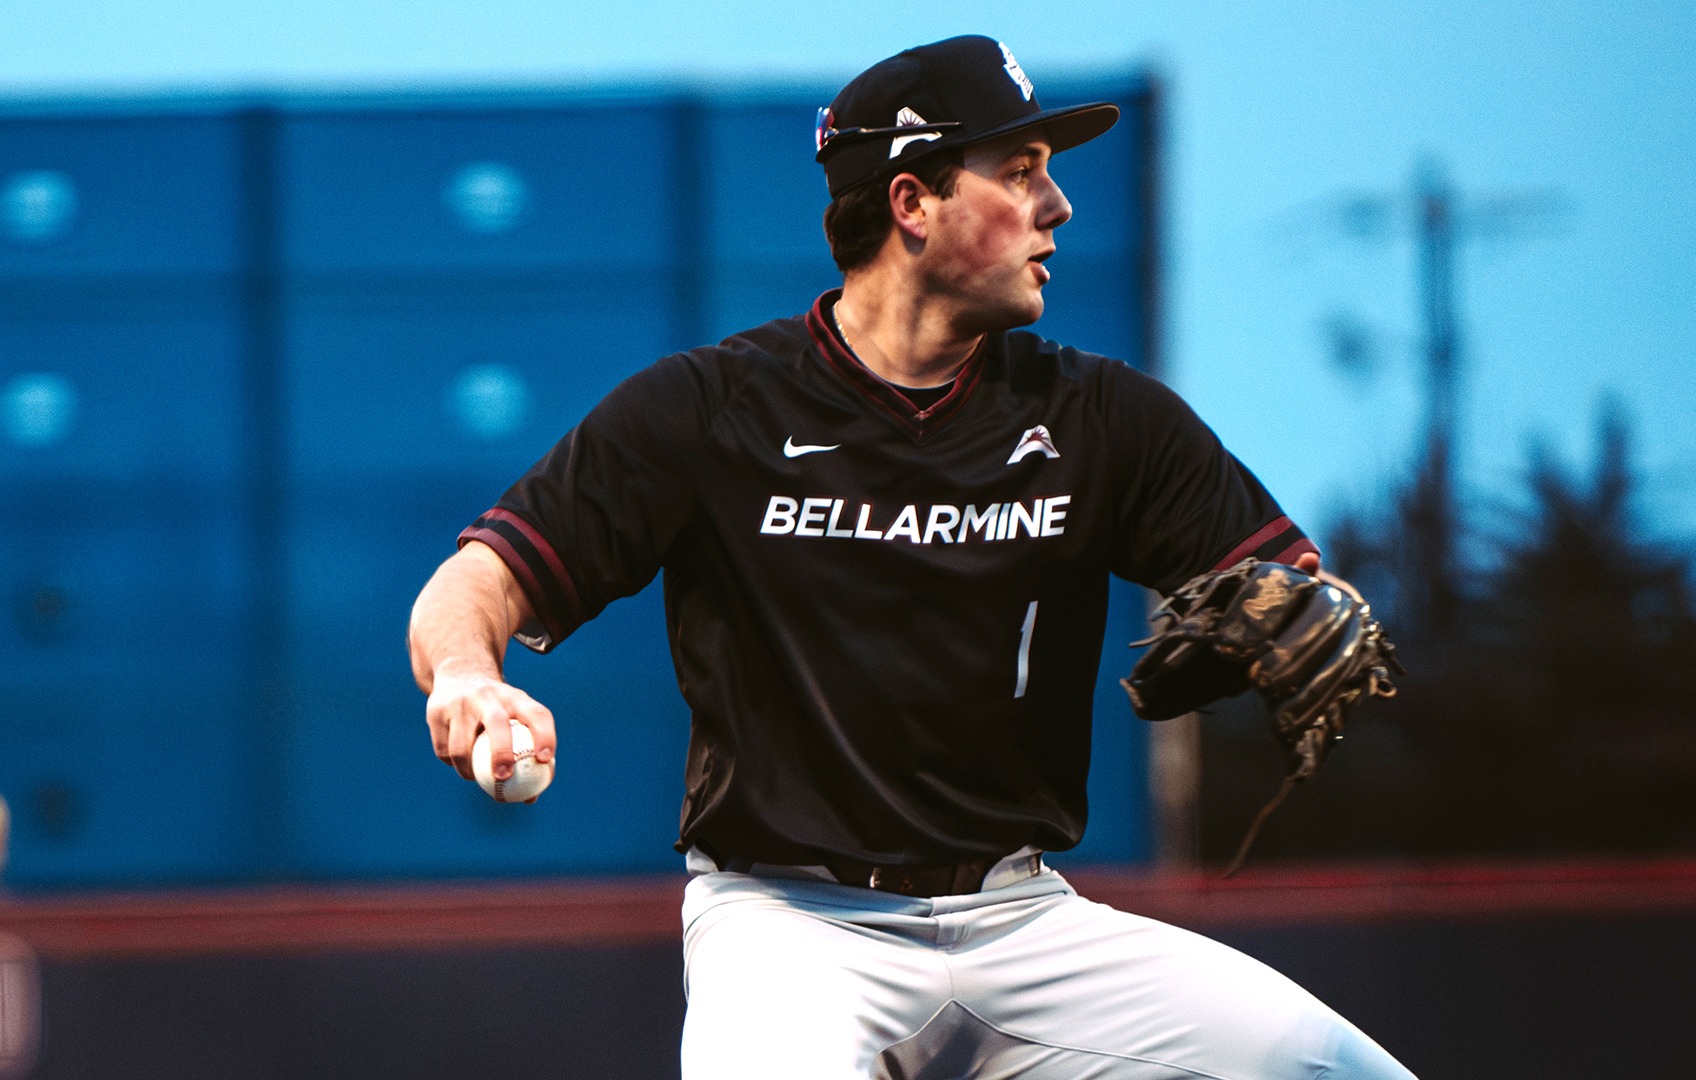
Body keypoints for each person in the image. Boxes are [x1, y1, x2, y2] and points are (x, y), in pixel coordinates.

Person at [408, 34, 1416, 1079]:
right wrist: (473, 674)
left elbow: (1302, 587)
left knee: (1340, 1072)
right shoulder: (711, 410)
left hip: (1025, 921)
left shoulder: (1103, 417)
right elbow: (472, 585)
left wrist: (1314, 607)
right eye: (1020, 172)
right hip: (791, 929)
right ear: (912, 203)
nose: (1057, 206)